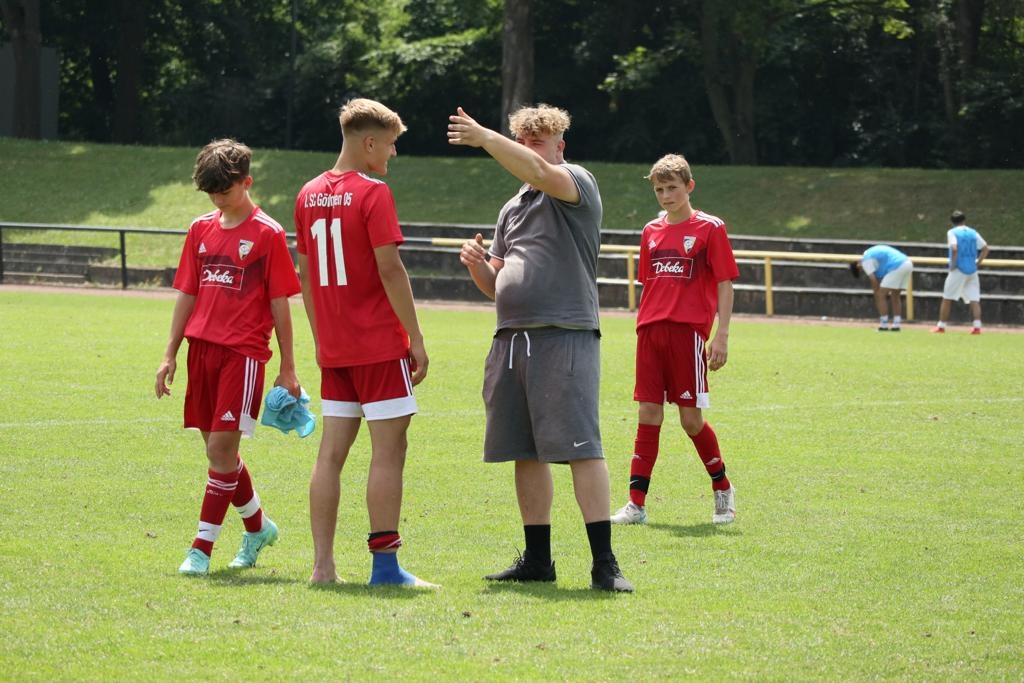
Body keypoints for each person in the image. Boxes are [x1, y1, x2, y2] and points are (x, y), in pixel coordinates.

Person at [449, 103, 633, 592]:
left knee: (582, 448)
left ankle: (605, 563)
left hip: (564, 333)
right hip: (512, 338)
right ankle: (537, 559)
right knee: (524, 450)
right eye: (524, 141)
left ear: (559, 147)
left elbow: (536, 171)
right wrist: (477, 265)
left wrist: (485, 137)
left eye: (539, 142)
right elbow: (496, 283)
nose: (530, 150)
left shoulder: (576, 181)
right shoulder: (512, 207)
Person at [295, 98, 435, 587]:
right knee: (389, 450)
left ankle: (323, 567)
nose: (393, 153)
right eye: (391, 144)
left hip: (335, 349)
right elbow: (390, 269)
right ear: (369, 142)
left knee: (330, 455)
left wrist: (321, 338)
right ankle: (385, 568)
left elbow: (306, 276)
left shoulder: (307, 194)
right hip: (377, 345)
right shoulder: (374, 193)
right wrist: (416, 338)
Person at [156, 138, 302, 576]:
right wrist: (170, 353)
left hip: (244, 355)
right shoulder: (199, 229)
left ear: (247, 182)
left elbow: (280, 303)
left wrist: (288, 368)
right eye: (211, 193)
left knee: (221, 450)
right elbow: (187, 293)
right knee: (219, 454)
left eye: (225, 190)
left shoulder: (268, 234)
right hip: (201, 352)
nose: (218, 199)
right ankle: (258, 528)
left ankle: (200, 550)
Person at [610, 154, 739, 527]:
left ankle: (722, 487)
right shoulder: (650, 231)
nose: (666, 196)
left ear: (689, 186)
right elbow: (650, 283)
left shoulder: (710, 228)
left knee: (690, 420)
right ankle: (636, 503)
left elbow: (724, 282)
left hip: (688, 334)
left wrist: (721, 334)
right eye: (659, 190)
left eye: (672, 188)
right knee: (648, 414)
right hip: (650, 331)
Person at [932, 210, 989, 334]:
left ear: (952, 222)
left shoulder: (952, 232)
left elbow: (954, 248)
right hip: (972, 270)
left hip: (958, 269)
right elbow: (985, 248)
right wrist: (977, 263)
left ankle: (941, 326)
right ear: (964, 220)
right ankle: (977, 327)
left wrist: (953, 264)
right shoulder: (973, 232)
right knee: (974, 299)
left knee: (947, 298)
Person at [849, 245, 914, 331]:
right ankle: (896, 324)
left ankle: (884, 325)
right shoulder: (870, 255)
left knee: (880, 295)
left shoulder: (865, 261)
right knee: (895, 295)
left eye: (861, 270)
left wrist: (877, 294)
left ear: (858, 265)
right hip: (908, 263)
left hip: (897, 266)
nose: (864, 271)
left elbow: (873, 279)